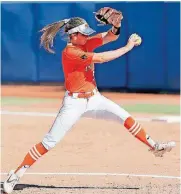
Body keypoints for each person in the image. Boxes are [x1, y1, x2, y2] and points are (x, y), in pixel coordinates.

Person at [3, 8, 175, 194]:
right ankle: (16, 174)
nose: (86, 37)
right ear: (73, 35)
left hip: (95, 99)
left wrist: (116, 25)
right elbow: (101, 58)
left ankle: (155, 147)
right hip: (74, 104)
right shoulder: (71, 52)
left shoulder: (84, 43)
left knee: (125, 117)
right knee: (49, 142)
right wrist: (128, 47)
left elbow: (110, 36)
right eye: (83, 34)